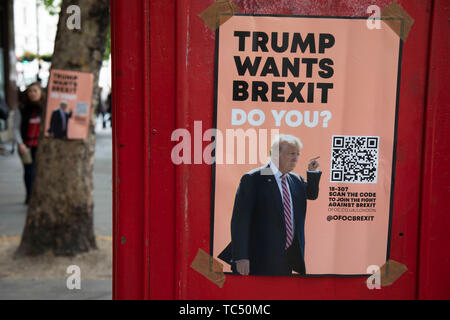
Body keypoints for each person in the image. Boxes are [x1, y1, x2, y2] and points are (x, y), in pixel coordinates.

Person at [219, 134, 321, 276]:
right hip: (258, 260)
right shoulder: (254, 178)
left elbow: (311, 194)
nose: (296, 158)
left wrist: (312, 172)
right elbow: (240, 220)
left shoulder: (295, 180)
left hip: (287, 260)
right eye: (291, 153)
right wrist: (241, 257)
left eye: (298, 154)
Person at [13, 82, 45, 204]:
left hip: (40, 146)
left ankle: (39, 195)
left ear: (41, 93)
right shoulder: (21, 109)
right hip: (26, 145)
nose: (32, 93)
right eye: (30, 91)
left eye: (35, 91)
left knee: (40, 170)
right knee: (29, 171)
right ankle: (29, 195)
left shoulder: (45, 108)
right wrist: (20, 144)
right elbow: (15, 128)